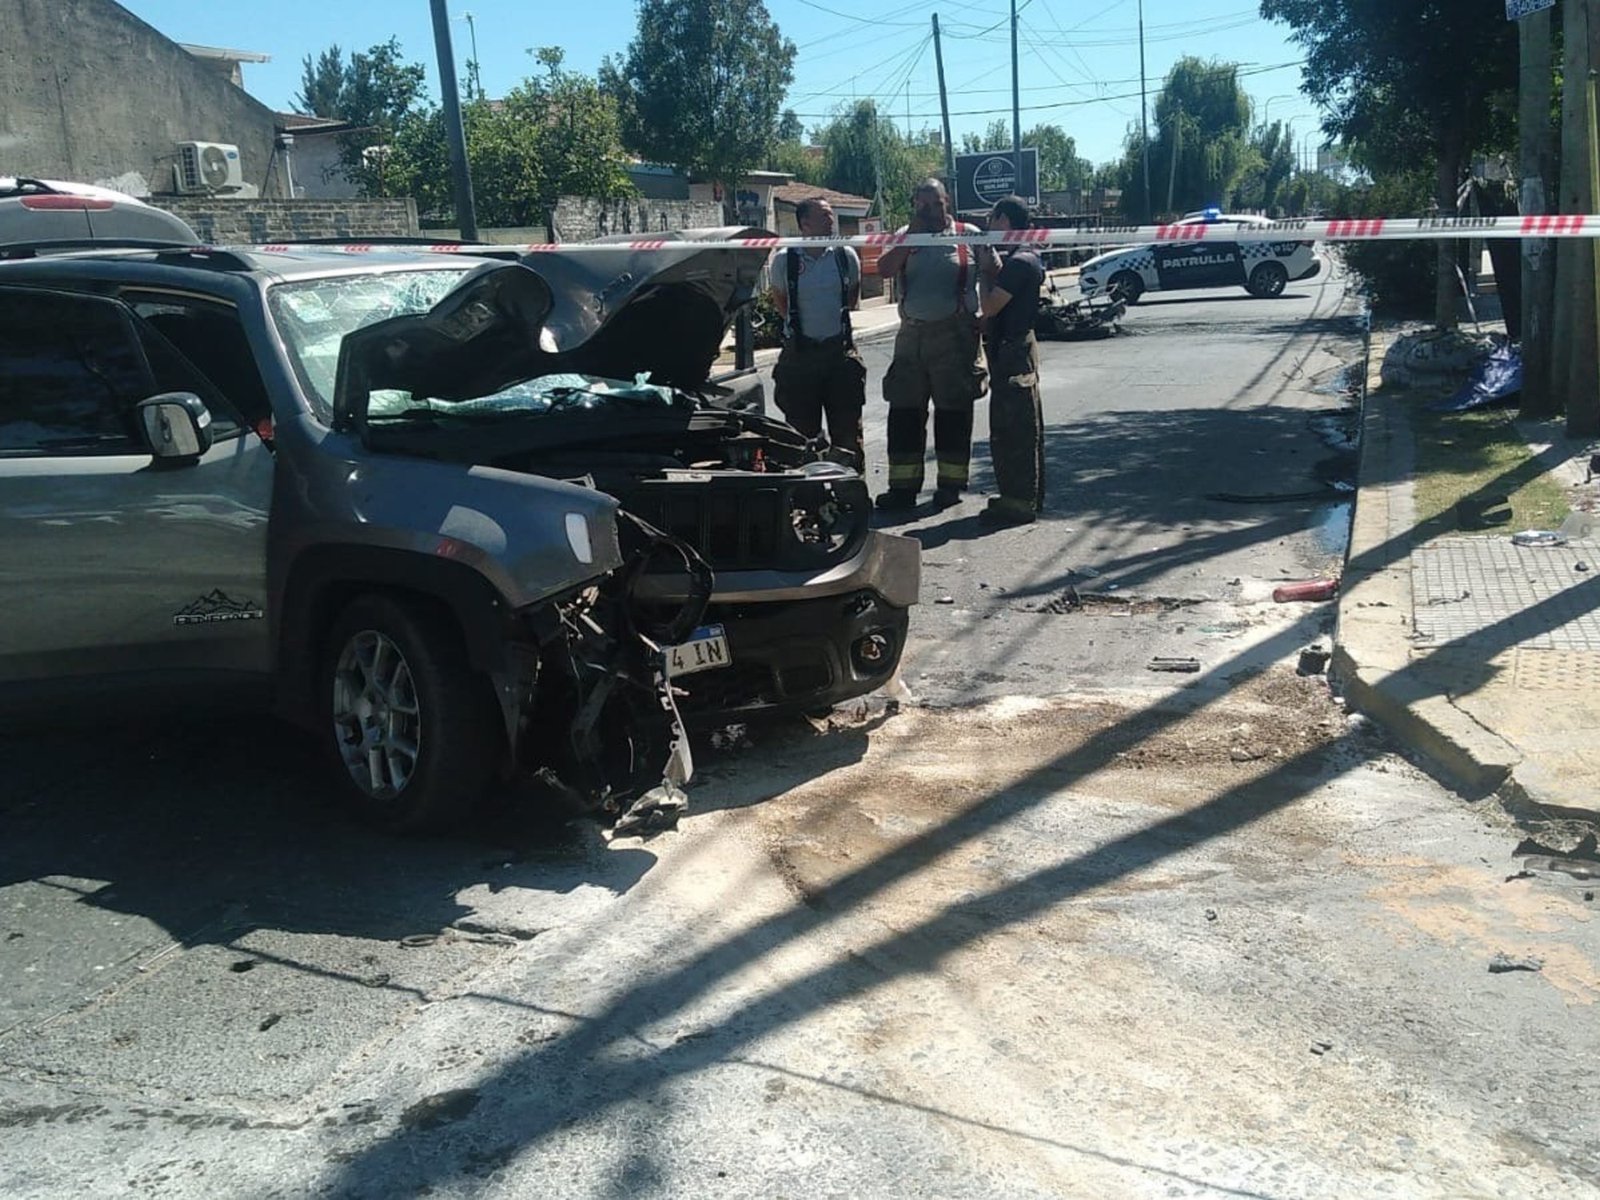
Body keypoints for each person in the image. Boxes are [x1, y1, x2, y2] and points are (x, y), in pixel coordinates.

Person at [874, 179, 993, 511]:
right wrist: (910, 235)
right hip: (911, 337)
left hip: (955, 338)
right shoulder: (905, 234)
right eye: (921, 205)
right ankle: (902, 489)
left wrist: (987, 313)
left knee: (953, 413)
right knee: (904, 413)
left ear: (947, 201)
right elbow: (884, 269)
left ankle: (951, 485)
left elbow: (992, 270)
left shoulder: (968, 233)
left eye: (934, 203)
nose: (928, 210)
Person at [770, 197, 866, 470]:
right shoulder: (784, 260)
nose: (831, 219)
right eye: (824, 215)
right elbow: (782, 304)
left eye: (832, 214)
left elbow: (851, 297)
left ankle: (851, 497)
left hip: (840, 354)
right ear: (804, 223)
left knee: (848, 433)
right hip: (800, 357)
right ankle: (809, 502)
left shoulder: (845, 255)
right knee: (801, 436)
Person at [977, 195, 1047, 526]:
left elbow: (990, 306)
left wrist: (983, 273)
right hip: (1013, 348)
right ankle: (1021, 496)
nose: (990, 226)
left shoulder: (1021, 262)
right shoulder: (1024, 258)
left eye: (992, 220)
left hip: (1013, 351)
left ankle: (1019, 501)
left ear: (1004, 221)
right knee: (1016, 424)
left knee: (1014, 427)